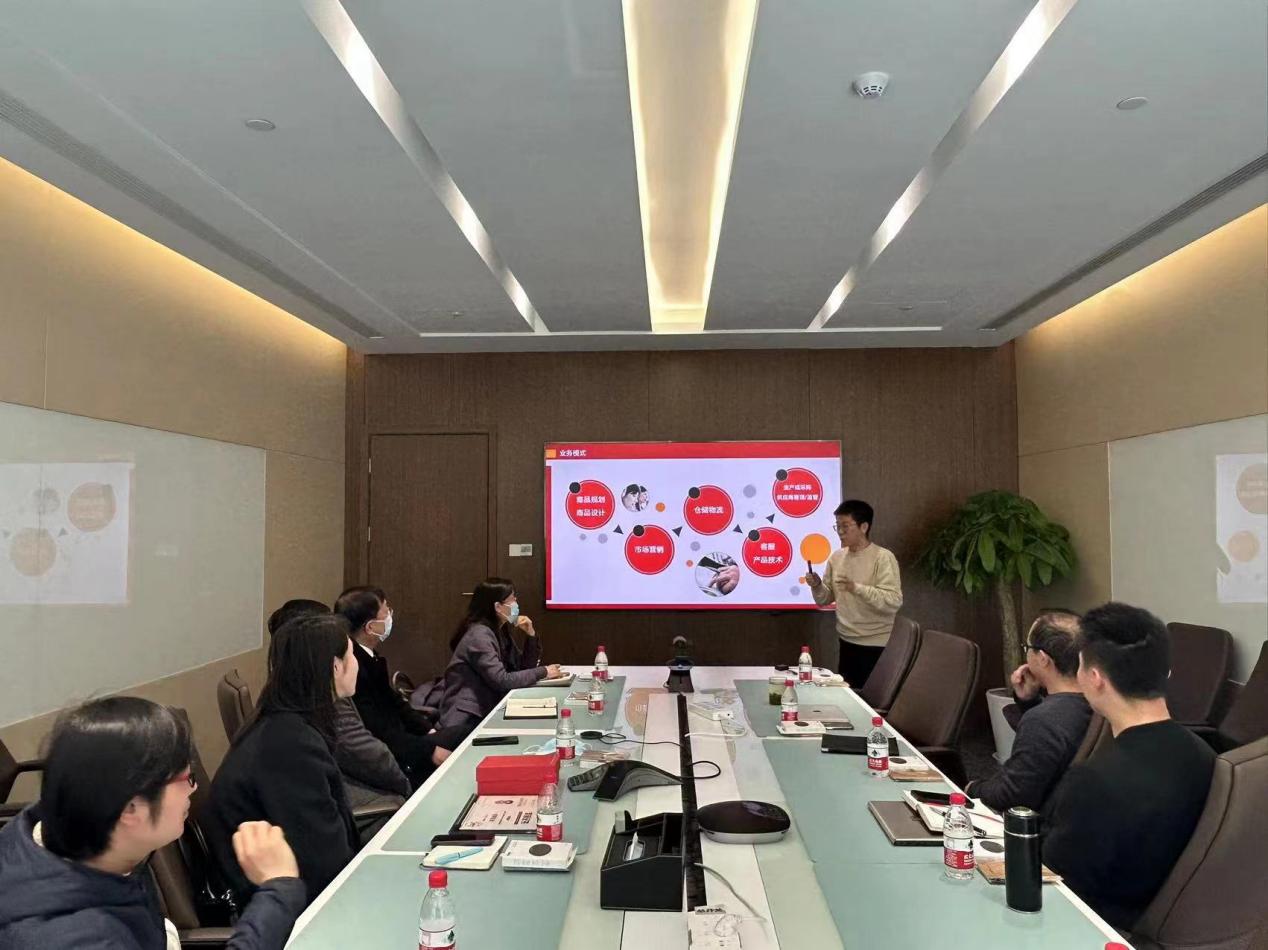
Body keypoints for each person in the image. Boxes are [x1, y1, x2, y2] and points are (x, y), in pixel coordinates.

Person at [0, 697, 303, 949]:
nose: (194, 788)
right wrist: (278, 888)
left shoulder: (73, 829)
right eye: (187, 778)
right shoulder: (73, 938)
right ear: (131, 808)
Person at [1043, 602, 1216, 931]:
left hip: (1093, 926)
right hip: (1167, 918)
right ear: (1165, 673)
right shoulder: (1205, 753)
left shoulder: (1095, 781)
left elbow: (1054, 883)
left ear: (1095, 679)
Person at [206, 613, 361, 905]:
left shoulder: (283, 721)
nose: (356, 664)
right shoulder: (290, 745)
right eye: (352, 655)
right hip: (281, 906)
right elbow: (322, 862)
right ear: (335, 666)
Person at [267, 599, 410, 818]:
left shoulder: (281, 696)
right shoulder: (318, 703)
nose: (355, 662)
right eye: (350, 654)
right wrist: (407, 787)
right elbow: (368, 756)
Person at [964, 610, 1091, 813]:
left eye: (1027, 647)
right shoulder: (1097, 704)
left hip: (1044, 823)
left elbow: (1012, 795)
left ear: (1043, 659)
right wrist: (1029, 701)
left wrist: (971, 789)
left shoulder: (1044, 721)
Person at [334, 586, 461, 787]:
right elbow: (378, 729)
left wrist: (428, 730)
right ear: (370, 626)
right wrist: (427, 750)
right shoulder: (354, 667)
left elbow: (395, 702)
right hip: (395, 753)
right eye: (386, 611)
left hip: (405, 740)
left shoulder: (370, 657)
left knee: (462, 734)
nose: (390, 615)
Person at [436, 578, 562, 737]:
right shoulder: (479, 635)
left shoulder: (499, 630)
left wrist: (531, 635)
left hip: (487, 709)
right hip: (467, 718)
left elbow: (523, 668)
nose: (516, 604)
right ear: (497, 607)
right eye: (512, 599)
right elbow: (502, 680)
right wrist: (544, 672)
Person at [806, 500, 903, 686]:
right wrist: (817, 585)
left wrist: (857, 588)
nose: (840, 532)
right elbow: (824, 599)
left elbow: (893, 601)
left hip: (877, 644)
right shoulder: (837, 558)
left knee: (871, 699)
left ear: (864, 527)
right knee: (849, 694)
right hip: (846, 640)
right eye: (837, 526)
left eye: (845, 526)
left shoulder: (883, 557)